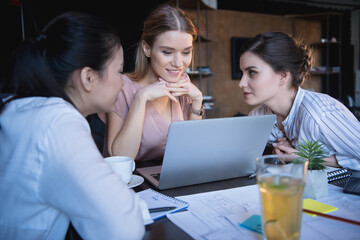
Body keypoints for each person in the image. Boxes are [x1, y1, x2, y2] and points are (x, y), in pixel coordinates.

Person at [0, 12, 147, 239]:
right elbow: (124, 227)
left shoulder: (20, 110)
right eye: (119, 71)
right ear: (88, 78)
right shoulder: (59, 124)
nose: (122, 81)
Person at [238, 31, 360, 170]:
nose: (241, 83)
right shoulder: (258, 117)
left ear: (283, 76)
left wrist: (308, 159)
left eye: (252, 72)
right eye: (242, 73)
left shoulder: (319, 115)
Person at [103, 4, 204, 162]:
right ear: (147, 48)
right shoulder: (121, 87)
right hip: (131, 184)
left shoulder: (183, 85)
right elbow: (120, 158)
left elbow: (192, 152)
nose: (179, 63)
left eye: (186, 52)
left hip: (171, 181)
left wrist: (197, 102)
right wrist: (141, 98)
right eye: (167, 52)